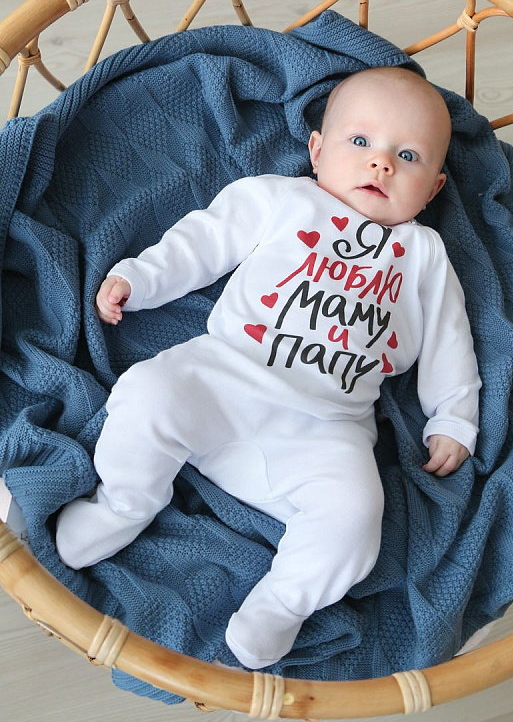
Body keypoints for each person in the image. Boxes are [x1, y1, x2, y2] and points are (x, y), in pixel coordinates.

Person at [56, 66, 481, 670]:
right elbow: (203, 240)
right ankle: (124, 503)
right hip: (225, 377)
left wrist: (454, 417)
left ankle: (282, 603)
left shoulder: (424, 256)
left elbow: (449, 340)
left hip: (327, 427)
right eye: (360, 142)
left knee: (357, 515)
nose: (380, 164)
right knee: (147, 392)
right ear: (317, 150)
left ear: (433, 188)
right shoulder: (284, 200)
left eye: (406, 156)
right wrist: (140, 278)